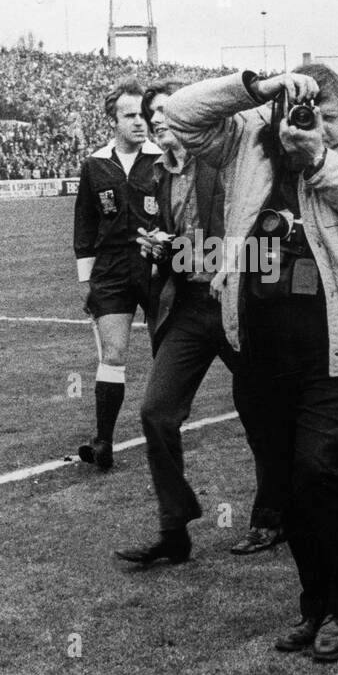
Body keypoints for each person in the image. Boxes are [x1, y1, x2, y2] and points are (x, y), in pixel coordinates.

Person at [164, 65, 338, 662]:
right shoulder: (249, 137)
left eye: (326, 117)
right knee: (286, 485)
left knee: (320, 468)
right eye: (301, 112)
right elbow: (178, 117)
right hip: (262, 349)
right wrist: (256, 90)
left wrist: (320, 158)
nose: (309, 124)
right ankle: (314, 605)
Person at [113, 82, 281, 566]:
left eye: (168, 112)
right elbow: (176, 245)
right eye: (154, 115)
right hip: (188, 306)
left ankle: (271, 517)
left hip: (236, 303)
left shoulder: (223, 160)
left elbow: (250, 241)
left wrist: (182, 249)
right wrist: (159, 250)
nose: (161, 121)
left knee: (260, 414)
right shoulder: (156, 176)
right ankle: (174, 528)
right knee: (156, 411)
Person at [72, 78, 163, 469]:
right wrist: (86, 282)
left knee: (167, 352)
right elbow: (84, 227)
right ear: (113, 119)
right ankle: (104, 442)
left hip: (157, 265)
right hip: (110, 271)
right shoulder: (95, 165)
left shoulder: (162, 159)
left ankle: (165, 430)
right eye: (130, 115)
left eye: (144, 114)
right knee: (113, 353)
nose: (140, 122)